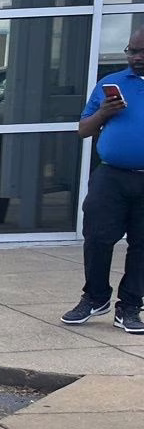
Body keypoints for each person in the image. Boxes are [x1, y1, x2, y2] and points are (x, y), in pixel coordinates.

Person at [65, 28, 144, 333]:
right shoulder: (110, 85)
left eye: (142, 52)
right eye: (132, 51)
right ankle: (95, 297)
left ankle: (130, 307)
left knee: (141, 246)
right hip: (111, 176)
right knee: (97, 237)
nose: (136, 58)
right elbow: (83, 129)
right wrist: (104, 112)